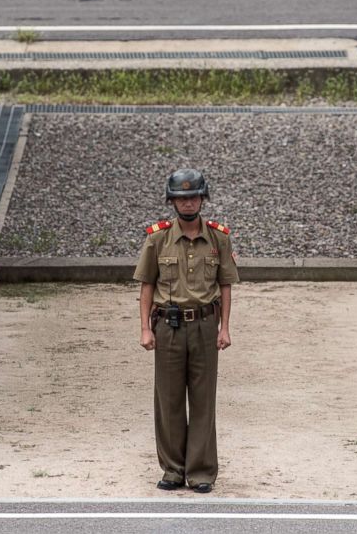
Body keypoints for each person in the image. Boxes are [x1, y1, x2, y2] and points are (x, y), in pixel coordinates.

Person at [133, 168, 239, 494]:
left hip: (205, 326)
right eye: (182, 198)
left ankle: (201, 471)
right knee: (169, 400)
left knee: (204, 399)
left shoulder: (219, 238)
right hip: (168, 326)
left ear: (203, 199)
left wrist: (225, 328)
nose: (188, 203)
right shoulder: (157, 238)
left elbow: (225, 285)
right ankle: (173, 469)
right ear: (172, 201)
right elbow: (147, 285)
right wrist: (144, 330)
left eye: (193, 197)